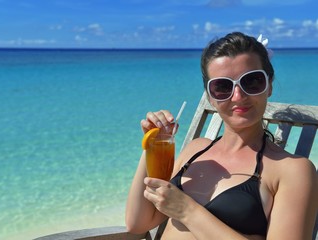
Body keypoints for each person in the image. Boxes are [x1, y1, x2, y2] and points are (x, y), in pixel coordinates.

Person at [125, 32, 318, 239]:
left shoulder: (292, 170)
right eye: (223, 87)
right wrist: (153, 146)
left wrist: (187, 211)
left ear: (269, 85)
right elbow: (138, 223)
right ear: (210, 96)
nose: (238, 96)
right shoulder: (196, 150)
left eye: (252, 81)